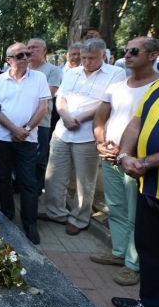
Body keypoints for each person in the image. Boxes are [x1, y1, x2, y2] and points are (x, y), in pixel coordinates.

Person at [111, 30, 159, 307]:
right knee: (153, 254)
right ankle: (152, 305)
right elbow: (135, 124)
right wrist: (126, 154)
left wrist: (145, 162)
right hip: (150, 189)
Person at [90, 36, 159, 287]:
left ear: (153, 55)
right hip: (110, 158)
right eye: (126, 50)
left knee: (136, 213)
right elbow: (100, 118)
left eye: (134, 51)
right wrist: (100, 142)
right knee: (116, 208)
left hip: (137, 162)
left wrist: (132, 155)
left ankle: (134, 264)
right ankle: (119, 253)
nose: (127, 55)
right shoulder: (117, 85)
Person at [38, 38, 126, 236]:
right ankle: (56, 212)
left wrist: (81, 117)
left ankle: (79, 218)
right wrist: (65, 116)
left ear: (103, 55)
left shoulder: (116, 73)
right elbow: (61, 97)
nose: (86, 62)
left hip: (88, 134)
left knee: (84, 181)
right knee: (53, 177)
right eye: (83, 57)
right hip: (62, 131)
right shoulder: (72, 72)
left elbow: (108, 102)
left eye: (92, 58)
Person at [0, 43, 51, 245]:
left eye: (27, 53)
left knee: (28, 182)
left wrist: (26, 129)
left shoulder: (39, 78)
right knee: (4, 180)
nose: (26, 57)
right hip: (2, 138)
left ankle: (30, 223)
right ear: (8, 60)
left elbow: (43, 108)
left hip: (28, 139)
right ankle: (7, 216)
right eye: (20, 55)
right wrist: (14, 129)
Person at [27, 38, 62, 196]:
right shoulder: (23, 68)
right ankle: (20, 185)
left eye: (35, 47)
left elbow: (49, 94)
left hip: (42, 121)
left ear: (44, 50)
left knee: (39, 157)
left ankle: (36, 189)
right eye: (29, 47)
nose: (31, 50)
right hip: (20, 121)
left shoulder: (52, 70)